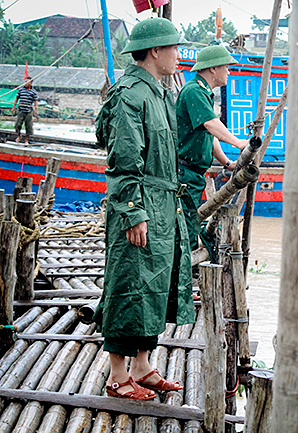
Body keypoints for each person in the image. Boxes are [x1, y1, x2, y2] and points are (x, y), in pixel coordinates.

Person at [93, 17, 195, 400]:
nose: (178, 56)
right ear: (155, 51)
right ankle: (118, 376)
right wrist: (133, 210)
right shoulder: (130, 94)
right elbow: (123, 160)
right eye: (174, 49)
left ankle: (143, 365)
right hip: (140, 205)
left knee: (155, 285)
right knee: (129, 285)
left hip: (165, 205)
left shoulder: (160, 92)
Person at [176, 45, 247, 251]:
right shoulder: (195, 91)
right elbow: (210, 124)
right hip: (185, 172)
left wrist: (226, 162)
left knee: (190, 222)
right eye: (226, 66)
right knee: (187, 228)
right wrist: (239, 143)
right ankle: (183, 278)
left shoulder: (203, 92)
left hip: (194, 173)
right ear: (213, 69)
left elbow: (209, 134)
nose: (229, 71)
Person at [12, 77, 38, 144]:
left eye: (27, 82)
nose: (26, 83)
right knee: (17, 125)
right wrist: (13, 107)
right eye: (25, 81)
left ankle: (26, 140)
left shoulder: (33, 92)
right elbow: (17, 98)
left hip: (28, 111)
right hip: (21, 110)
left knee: (28, 126)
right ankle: (19, 135)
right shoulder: (21, 90)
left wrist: (36, 110)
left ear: (31, 83)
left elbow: (35, 102)